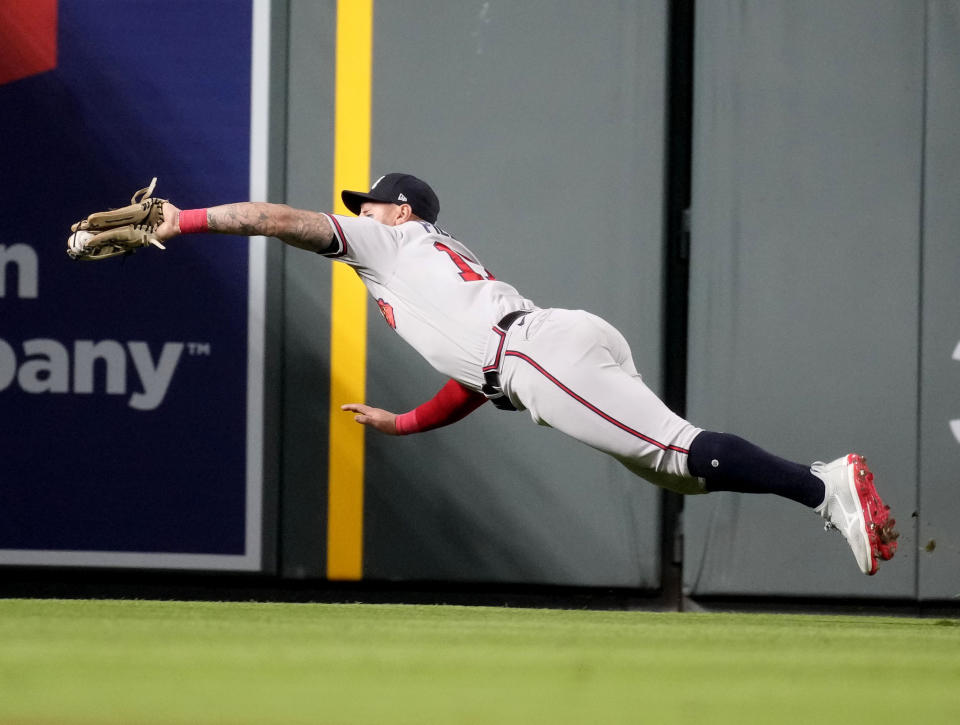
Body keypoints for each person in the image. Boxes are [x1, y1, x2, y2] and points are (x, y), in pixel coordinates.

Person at [151, 172, 899, 576]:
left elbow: (275, 220)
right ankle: (818, 486)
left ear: (402, 209)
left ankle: (824, 484)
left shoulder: (389, 244)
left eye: (370, 203)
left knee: (675, 448)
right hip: (539, 348)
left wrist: (182, 222)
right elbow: (472, 379)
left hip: (537, 354)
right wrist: (404, 421)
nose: (359, 211)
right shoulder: (421, 265)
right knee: (676, 472)